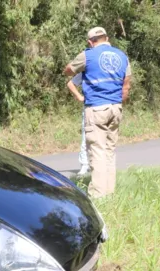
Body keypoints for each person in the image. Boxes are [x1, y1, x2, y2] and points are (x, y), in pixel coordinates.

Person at [64, 26, 131, 198]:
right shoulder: (122, 57)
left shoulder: (88, 55)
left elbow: (69, 71)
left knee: (97, 151)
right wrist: (116, 102)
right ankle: (109, 192)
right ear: (106, 38)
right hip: (116, 108)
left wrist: (69, 68)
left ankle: (98, 195)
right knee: (109, 150)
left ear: (90, 42)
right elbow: (126, 86)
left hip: (97, 108)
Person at [67, 74, 89, 176]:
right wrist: (79, 97)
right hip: (89, 108)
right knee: (86, 136)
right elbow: (71, 84)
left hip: (103, 107)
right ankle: (84, 164)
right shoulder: (86, 71)